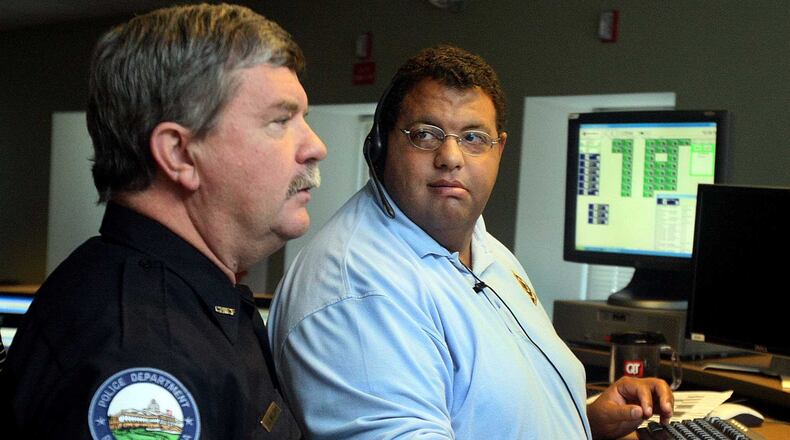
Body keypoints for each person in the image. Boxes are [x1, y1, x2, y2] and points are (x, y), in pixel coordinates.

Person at [268, 45, 673, 439]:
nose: (450, 157)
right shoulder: (358, 292)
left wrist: (585, 424)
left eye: (474, 138)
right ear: (380, 145)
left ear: (500, 149)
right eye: (425, 135)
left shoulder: (485, 250)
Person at [0, 4, 326, 438]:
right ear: (178, 154)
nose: (315, 146)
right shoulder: (143, 354)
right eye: (280, 121)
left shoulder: (194, 298)